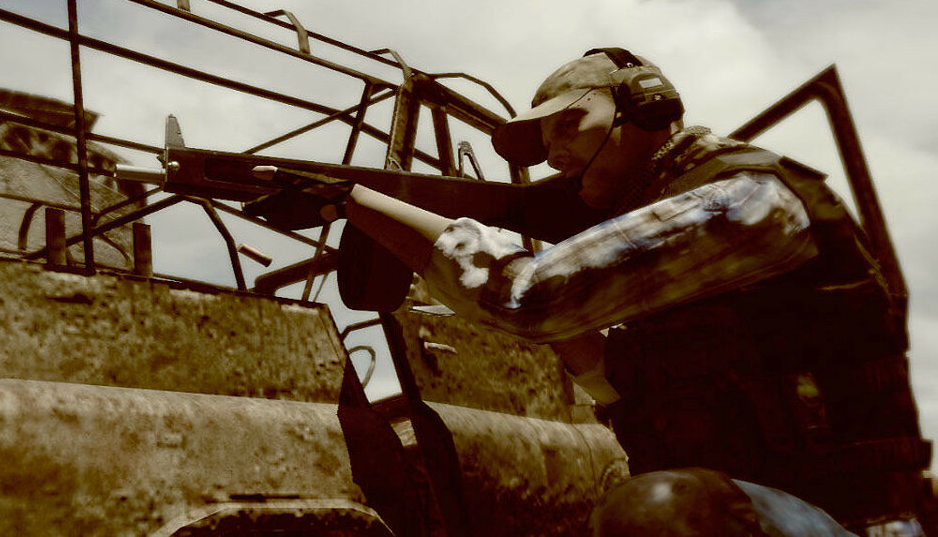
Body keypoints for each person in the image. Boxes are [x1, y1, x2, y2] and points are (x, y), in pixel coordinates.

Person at [246, 48, 932, 535]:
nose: (556, 156)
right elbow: (613, 383)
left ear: (647, 108)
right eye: (544, 143)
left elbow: (531, 295)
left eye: (570, 125)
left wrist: (357, 201)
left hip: (853, 519)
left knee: (655, 508)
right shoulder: (675, 261)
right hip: (763, 507)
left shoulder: (744, 200)